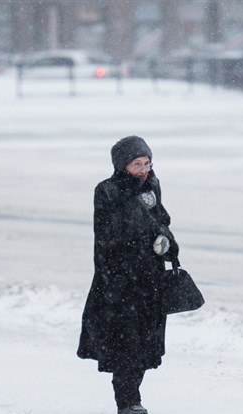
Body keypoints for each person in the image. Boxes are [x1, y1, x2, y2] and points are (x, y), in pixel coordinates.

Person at [77, 135, 179, 414]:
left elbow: (162, 221)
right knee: (126, 346)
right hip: (119, 282)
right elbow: (108, 237)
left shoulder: (152, 187)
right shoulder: (108, 191)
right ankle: (129, 402)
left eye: (147, 163)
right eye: (137, 164)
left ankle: (132, 399)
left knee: (145, 346)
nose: (144, 169)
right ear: (122, 166)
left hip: (150, 280)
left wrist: (165, 240)